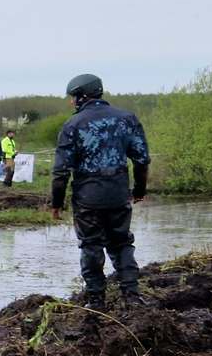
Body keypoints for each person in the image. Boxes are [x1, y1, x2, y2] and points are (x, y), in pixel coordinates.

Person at [52, 73, 151, 311]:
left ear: (81, 96)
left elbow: (61, 170)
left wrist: (56, 203)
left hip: (88, 198)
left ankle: (96, 300)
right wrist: (139, 190)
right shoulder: (127, 119)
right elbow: (141, 160)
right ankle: (132, 296)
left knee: (90, 245)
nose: (70, 102)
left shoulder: (72, 125)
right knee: (122, 243)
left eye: (72, 97)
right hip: (118, 193)